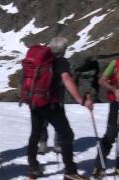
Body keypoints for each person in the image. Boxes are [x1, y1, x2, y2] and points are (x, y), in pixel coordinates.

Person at [25, 37, 93, 180]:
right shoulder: (60, 62)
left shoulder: (40, 60)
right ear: (63, 50)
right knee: (67, 134)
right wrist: (80, 100)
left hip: (35, 101)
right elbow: (66, 79)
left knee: (35, 135)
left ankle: (33, 169)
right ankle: (70, 172)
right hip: (51, 104)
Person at [92, 58, 119, 177]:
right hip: (116, 104)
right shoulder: (115, 63)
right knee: (111, 134)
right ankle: (99, 166)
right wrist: (114, 90)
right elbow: (102, 81)